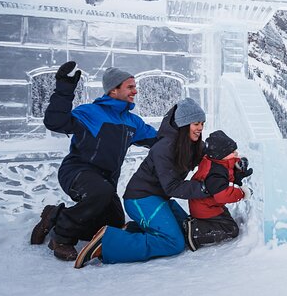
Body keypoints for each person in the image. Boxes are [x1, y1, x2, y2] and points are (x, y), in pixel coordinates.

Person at [73, 98, 236, 268]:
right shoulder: (164, 148)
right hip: (140, 199)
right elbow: (172, 187)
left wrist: (235, 167)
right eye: (196, 123)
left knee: (184, 229)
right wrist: (205, 188)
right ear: (183, 124)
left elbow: (213, 160)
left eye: (202, 123)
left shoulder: (192, 145)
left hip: (158, 199)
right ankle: (108, 243)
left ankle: (130, 230)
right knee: (174, 242)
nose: (200, 128)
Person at [31, 62, 158, 261]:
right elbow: (55, 122)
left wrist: (186, 135)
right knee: (100, 192)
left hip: (105, 181)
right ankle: (62, 238)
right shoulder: (91, 113)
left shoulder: (132, 122)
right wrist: (64, 89)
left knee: (113, 223)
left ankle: (55, 216)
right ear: (114, 90)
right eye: (130, 86)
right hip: (77, 171)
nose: (136, 90)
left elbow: (160, 141)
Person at [185, 130, 253, 250]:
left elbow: (228, 166)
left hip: (209, 205)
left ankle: (200, 223)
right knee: (231, 229)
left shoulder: (216, 161)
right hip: (206, 208)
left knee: (225, 219)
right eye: (233, 152)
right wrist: (242, 193)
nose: (236, 153)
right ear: (222, 154)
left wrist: (238, 166)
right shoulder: (214, 173)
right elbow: (223, 194)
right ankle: (196, 233)